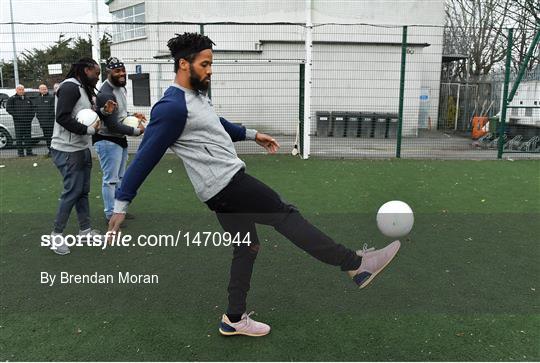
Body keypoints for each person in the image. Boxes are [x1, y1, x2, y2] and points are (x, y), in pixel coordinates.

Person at [108, 33, 400, 337]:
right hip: (228, 186)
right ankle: (356, 264)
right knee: (286, 215)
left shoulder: (194, 97)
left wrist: (252, 134)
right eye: (204, 64)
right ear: (184, 64)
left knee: (247, 247)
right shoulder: (170, 107)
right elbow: (145, 156)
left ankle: (233, 318)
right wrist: (121, 203)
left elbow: (215, 123)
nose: (210, 70)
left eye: (211, 64)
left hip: (218, 193)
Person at [49, 58, 115, 255]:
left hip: (80, 148)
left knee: (82, 191)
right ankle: (56, 235)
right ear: (86, 70)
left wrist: (103, 112)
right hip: (67, 149)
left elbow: (86, 114)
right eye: (95, 73)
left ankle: (85, 231)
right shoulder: (70, 87)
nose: (97, 78)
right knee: (73, 191)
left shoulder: (82, 88)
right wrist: (88, 130)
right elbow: (62, 117)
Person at [94, 57, 145, 224]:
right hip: (107, 139)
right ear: (109, 72)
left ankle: (118, 210)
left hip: (119, 139)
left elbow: (120, 115)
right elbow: (113, 125)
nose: (122, 73)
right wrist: (137, 131)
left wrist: (132, 116)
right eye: (117, 71)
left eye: (123, 70)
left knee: (121, 177)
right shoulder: (105, 93)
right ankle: (110, 214)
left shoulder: (121, 88)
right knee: (110, 180)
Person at [6, 84, 36, 157]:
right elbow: (9, 109)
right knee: (19, 138)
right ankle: (21, 153)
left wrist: (30, 118)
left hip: (28, 122)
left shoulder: (28, 99)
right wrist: (17, 116)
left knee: (28, 137)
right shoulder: (12, 99)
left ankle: (29, 152)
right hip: (18, 122)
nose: (21, 91)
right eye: (20, 89)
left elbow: (33, 109)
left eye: (22, 89)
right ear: (16, 90)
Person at [35, 84, 55, 156]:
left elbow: (53, 110)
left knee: (52, 137)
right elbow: (36, 110)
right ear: (39, 90)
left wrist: (49, 117)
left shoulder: (51, 97)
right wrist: (39, 118)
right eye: (42, 89)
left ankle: (54, 151)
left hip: (51, 122)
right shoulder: (37, 98)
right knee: (47, 137)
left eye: (45, 88)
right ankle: (50, 151)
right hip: (43, 123)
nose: (44, 90)